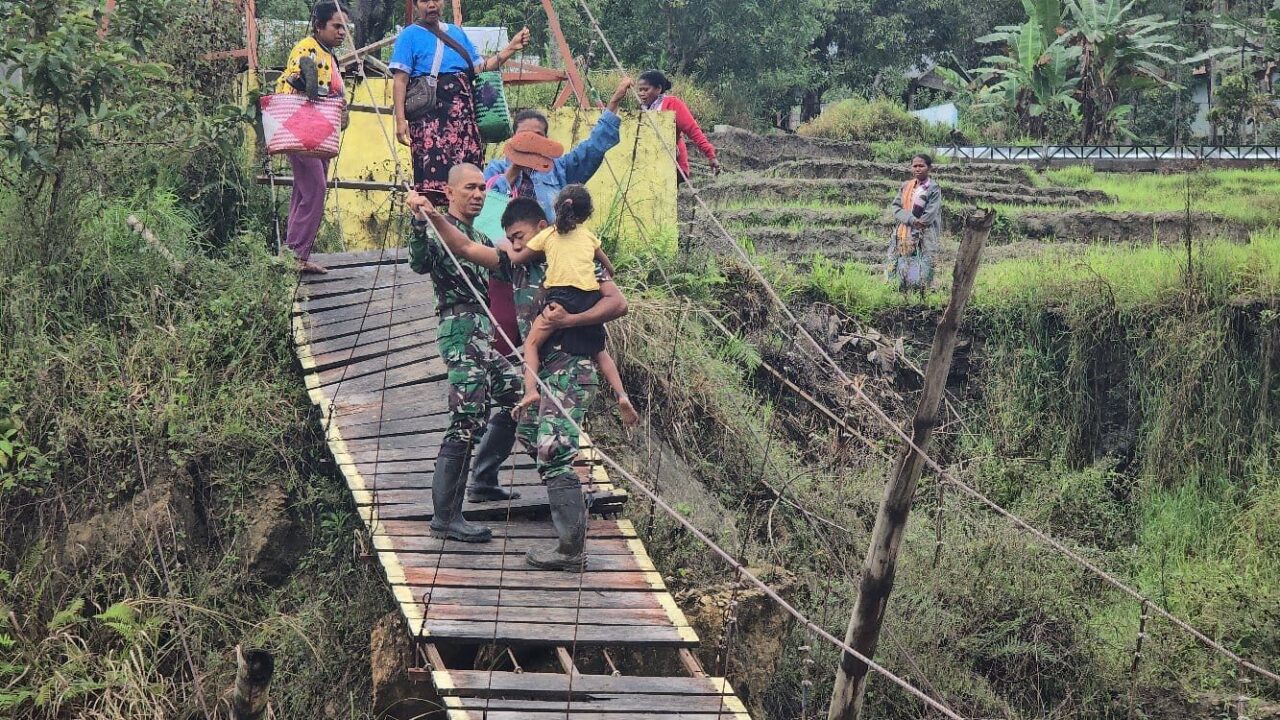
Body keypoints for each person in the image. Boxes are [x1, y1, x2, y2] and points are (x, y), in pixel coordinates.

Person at [409, 192, 630, 572]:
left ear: (542, 230)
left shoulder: (572, 258)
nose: (513, 245)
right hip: (540, 370)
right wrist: (432, 216)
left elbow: (618, 302)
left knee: (553, 446)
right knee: (528, 428)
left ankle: (570, 548)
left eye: (519, 236)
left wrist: (569, 321)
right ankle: (562, 506)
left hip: (571, 364)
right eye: (508, 238)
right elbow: (462, 245)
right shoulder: (512, 266)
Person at [405, 164, 523, 542]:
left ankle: (484, 479)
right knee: (467, 415)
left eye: (481, 189)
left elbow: (502, 268)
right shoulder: (438, 229)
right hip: (459, 328)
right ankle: (446, 517)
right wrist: (419, 223)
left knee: (516, 393)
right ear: (449, 191)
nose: (477, 194)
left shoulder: (479, 235)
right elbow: (419, 262)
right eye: (469, 188)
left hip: (482, 333)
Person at [510, 185, 636, 426]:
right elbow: (609, 267)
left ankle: (530, 390)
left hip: (561, 298)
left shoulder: (548, 235)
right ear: (586, 215)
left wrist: (507, 248)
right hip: (588, 298)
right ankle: (621, 395)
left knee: (532, 344)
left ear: (555, 210)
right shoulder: (588, 236)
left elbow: (519, 257)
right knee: (599, 352)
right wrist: (604, 273)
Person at [391, 0, 529, 205]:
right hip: (430, 120)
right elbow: (400, 79)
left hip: (464, 118)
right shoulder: (409, 35)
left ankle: (461, 230)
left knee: (468, 180)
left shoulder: (457, 33)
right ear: (417, 4)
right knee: (430, 184)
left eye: (436, 0)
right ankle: (424, 229)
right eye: (424, 1)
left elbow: (480, 68)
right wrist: (400, 120)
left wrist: (511, 47)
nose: (431, 5)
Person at [482, 76, 634, 221]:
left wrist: (614, 101)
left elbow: (593, 146)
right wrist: (515, 168)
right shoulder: (496, 169)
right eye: (524, 135)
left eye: (537, 135)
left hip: (548, 243)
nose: (530, 141)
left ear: (546, 140)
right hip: (506, 244)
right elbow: (485, 209)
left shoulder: (559, 169)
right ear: (513, 138)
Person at [275, 1, 351, 274]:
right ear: (319, 26)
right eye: (336, 26)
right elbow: (296, 74)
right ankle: (297, 255)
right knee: (315, 190)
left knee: (305, 190)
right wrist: (305, 76)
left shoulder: (330, 54)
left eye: (345, 27)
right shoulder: (307, 47)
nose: (342, 32)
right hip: (303, 127)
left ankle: (291, 252)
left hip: (321, 132)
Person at [634, 69, 720, 181]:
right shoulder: (644, 109)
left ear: (658, 89)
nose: (641, 94)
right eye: (640, 90)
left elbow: (693, 130)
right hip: (650, 163)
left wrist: (710, 155)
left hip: (673, 163)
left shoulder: (672, 104)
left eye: (646, 89)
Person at [886, 154, 943, 293]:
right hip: (904, 232)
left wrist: (918, 223)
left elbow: (929, 216)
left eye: (921, 166)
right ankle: (898, 289)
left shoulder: (933, 188)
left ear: (929, 168)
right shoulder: (906, 186)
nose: (918, 169)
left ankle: (919, 291)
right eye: (915, 166)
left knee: (923, 261)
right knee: (900, 259)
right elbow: (896, 207)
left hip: (925, 233)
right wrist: (911, 220)